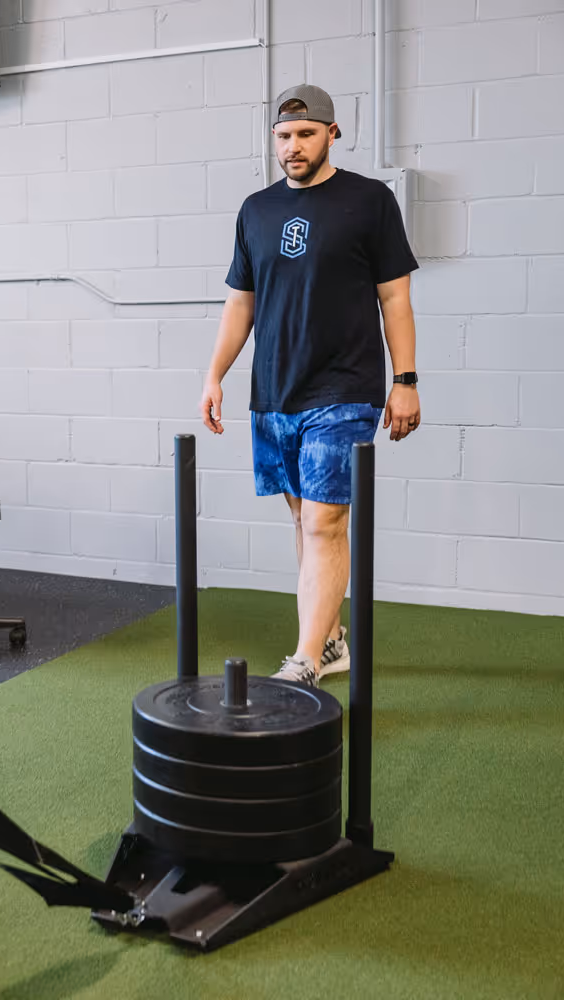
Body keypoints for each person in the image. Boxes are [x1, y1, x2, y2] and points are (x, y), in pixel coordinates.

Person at [199, 85, 421, 688]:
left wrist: (405, 380)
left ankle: (304, 661)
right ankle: (331, 641)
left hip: (345, 388)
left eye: (305, 134)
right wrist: (214, 374)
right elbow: (240, 303)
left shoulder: (369, 201)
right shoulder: (256, 210)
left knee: (326, 523)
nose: (292, 147)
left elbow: (395, 298)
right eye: (283, 136)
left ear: (331, 133)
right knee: (304, 521)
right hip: (273, 392)